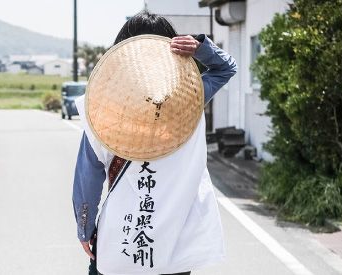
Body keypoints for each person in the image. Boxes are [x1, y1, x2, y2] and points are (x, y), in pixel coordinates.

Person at [72, 11, 237, 275]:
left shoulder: (99, 109)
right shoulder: (189, 101)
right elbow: (226, 68)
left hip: (119, 241)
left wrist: (85, 228)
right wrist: (201, 49)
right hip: (174, 244)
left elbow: (88, 179)